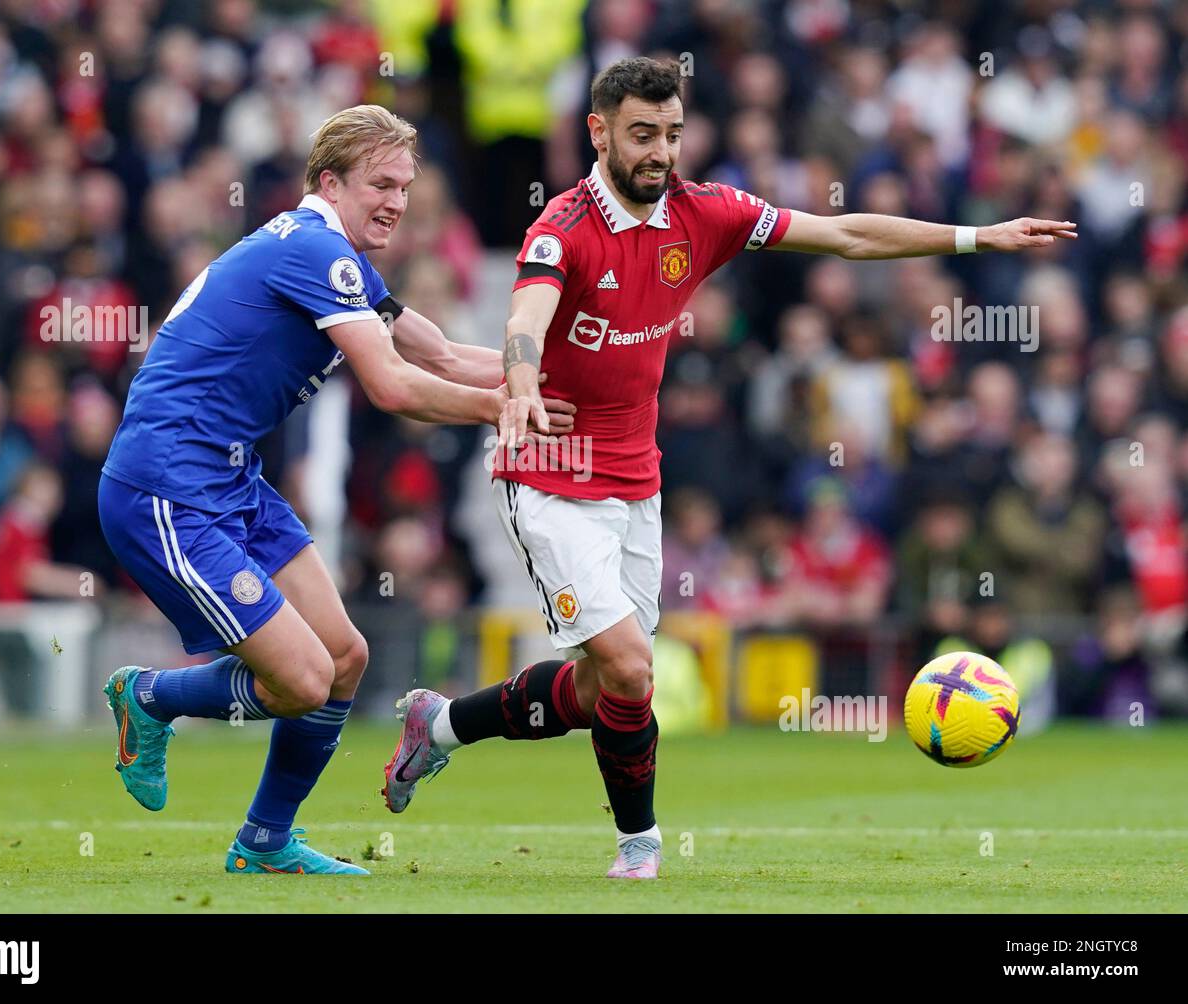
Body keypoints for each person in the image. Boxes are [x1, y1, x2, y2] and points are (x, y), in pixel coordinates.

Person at [382, 56, 1076, 880]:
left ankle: (443, 725)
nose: (660, 152)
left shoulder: (704, 214)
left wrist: (976, 236)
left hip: (637, 479)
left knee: (599, 684)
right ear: (598, 132)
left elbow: (846, 232)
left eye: (672, 134)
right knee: (632, 671)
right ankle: (639, 847)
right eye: (642, 135)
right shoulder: (559, 227)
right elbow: (525, 318)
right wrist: (522, 384)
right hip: (548, 471)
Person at [96, 105, 573, 876]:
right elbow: (390, 386)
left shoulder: (335, 258)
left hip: (228, 478)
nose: (396, 201)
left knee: (343, 658)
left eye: (406, 188)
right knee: (303, 680)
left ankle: (264, 842)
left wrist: (556, 371)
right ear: (329, 182)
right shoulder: (319, 253)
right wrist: (507, 406)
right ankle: (150, 697)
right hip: (167, 485)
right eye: (381, 184)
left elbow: (447, 355)